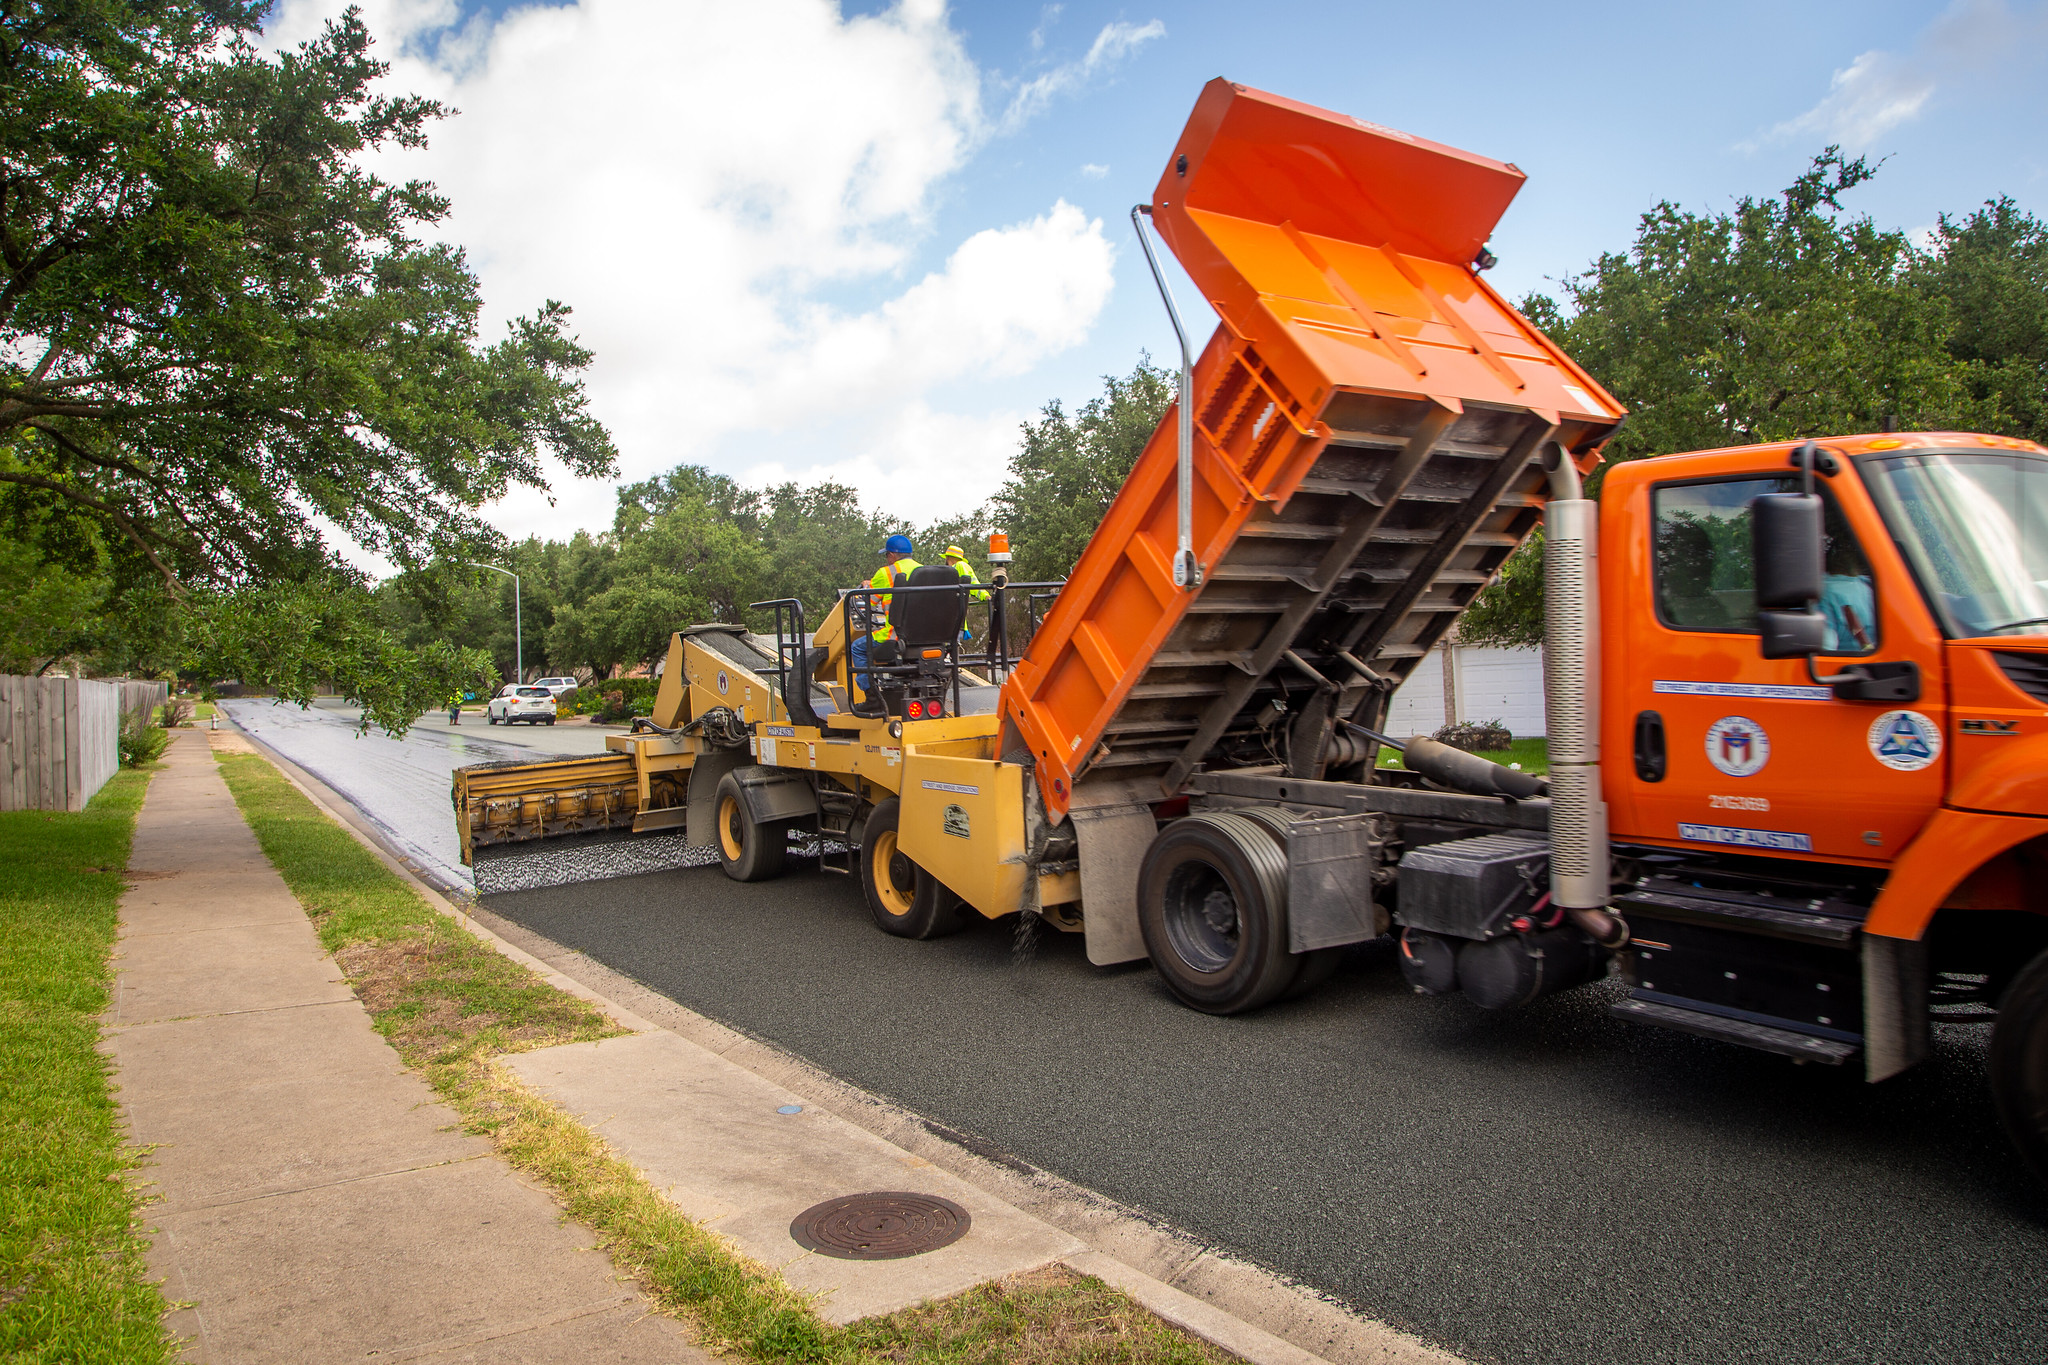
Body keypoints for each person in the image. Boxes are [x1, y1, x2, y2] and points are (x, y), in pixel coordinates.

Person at [852, 534, 920, 699]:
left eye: (886, 555)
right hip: (926, 637)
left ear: (892, 555)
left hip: (897, 636)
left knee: (857, 647)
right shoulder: (924, 571)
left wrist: (865, 588)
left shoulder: (886, 573)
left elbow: (869, 602)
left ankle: (872, 697)